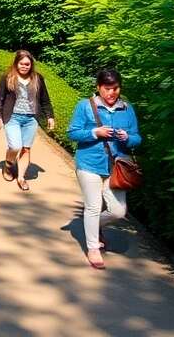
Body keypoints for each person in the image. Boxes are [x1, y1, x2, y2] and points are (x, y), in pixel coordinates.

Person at [67, 69, 141, 269]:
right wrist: (94, 132)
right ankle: (93, 248)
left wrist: (128, 138)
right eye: (107, 89)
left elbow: (137, 138)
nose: (111, 93)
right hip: (89, 163)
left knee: (118, 211)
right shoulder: (85, 106)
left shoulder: (127, 109)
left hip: (117, 166)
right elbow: (72, 133)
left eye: (115, 88)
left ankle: (94, 225)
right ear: (98, 88)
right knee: (92, 205)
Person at [0, 50, 55, 191]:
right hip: (12, 116)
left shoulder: (38, 79)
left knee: (26, 148)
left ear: (31, 65)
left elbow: (45, 100)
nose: (24, 67)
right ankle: (8, 165)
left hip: (31, 118)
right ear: (16, 64)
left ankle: (21, 177)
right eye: (21, 64)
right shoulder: (8, 77)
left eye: (27, 64)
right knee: (15, 146)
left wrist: (50, 116)